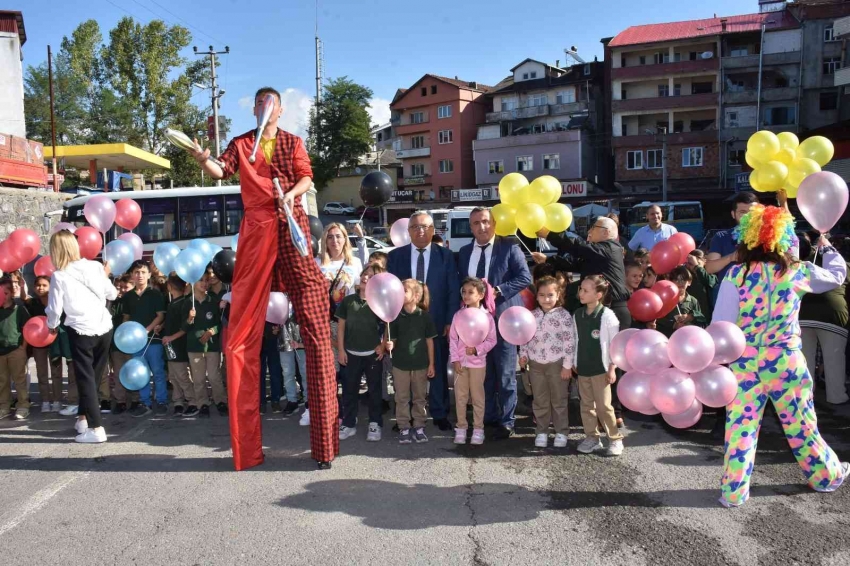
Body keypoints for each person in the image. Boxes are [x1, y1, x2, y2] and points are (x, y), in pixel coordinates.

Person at [191, 86, 339, 470]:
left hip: (294, 229)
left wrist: (291, 195)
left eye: (269, 102)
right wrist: (204, 159)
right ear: (254, 109)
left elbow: (307, 178)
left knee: (318, 333)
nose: (263, 107)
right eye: (258, 102)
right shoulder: (242, 143)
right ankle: (246, 450)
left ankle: (325, 446)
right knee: (240, 333)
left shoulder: (292, 141)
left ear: (280, 109)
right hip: (257, 232)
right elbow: (221, 169)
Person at [712, 204, 849, 507]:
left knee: (740, 429)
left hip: (744, 363)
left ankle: (733, 493)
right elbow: (837, 277)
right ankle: (825, 476)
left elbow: (720, 325)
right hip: (786, 362)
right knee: (801, 424)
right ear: (782, 236)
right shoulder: (797, 271)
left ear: (747, 237)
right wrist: (827, 250)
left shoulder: (736, 274)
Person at [459, 207, 531, 439]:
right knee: (483, 374)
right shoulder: (463, 252)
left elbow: (524, 277)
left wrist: (498, 291)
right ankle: (487, 416)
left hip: (504, 322)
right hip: (474, 326)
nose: (481, 227)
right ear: (470, 227)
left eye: (485, 222)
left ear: (494, 223)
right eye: (476, 223)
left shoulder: (509, 247)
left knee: (506, 374)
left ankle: (507, 420)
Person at [387, 211, 460, 432]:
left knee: (435, 367)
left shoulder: (445, 255)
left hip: (436, 324)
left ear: (433, 230)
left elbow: (452, 291)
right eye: (416, 227)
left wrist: (450, 320)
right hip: (404, 325)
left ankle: (439, 413)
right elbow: (390, 292)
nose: (421, 231)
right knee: (405, 372)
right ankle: (404, 417)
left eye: (426, 227)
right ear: (408, 231)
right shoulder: (396, 256)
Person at [45, 231, 117, 442]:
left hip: (81, 330)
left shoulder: (59, 276)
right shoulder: (95, 266)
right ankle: (84, 419)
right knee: (93, 377)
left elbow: (54, 310)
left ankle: (96, 429)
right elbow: (111, 294)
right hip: (104, 327)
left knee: (86, 379)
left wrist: (51, 326)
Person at [535, 217, 631, 329]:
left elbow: (578, 247)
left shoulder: (610, 248)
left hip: (614, 309)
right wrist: (547, 260)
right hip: (600, 308)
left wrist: (550, 235)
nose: (589, 232)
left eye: (593, 228)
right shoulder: (598, 253)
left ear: (606, 232)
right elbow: (574, 264)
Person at [518, 276, 575, 448]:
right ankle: (542, 431)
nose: (546, 299)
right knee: (540, 400)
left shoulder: (563, 316)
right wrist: (523, 354)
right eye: (542, 295)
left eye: (550, 295)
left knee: (559, 400)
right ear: (536, 297)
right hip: (535, 365)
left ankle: (561, 432)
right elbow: (524, 337)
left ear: (558, 295)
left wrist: (567, 365)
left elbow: (569, 341)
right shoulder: (531, 316)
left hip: (557, 364)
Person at [573, 275, 623, 456]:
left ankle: (615, 439)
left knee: (604, 407)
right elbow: (575, 340)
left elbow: (614, 345)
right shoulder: (577, 314)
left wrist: (612, 367)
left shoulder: (608, 316)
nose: (581, 293)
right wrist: (573, 362)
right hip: (583, 369)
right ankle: (592, 437)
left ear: (599, 294)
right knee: (586, 406)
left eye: (586, 290)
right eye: (580, 289)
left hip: (601, 370)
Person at [336, 263, 387, 441]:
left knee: (374, 391)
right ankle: (349, 423)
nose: (366, 277)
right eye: (365, 274)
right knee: (349, 390)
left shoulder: (379, 301)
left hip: (372, 356)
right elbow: (341, 327)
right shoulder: (348, 301)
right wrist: (341, 350)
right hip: (350, 354)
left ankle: (375, 423)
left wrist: (383, 344)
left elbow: (389, 322)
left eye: (371, 276)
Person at [798, 232, 850, 405]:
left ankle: (805, 398)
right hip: (834, 316)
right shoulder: (841, 265)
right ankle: (837, 397)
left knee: (804, 360)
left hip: (802, 315)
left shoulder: (800, 264)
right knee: (834, 360)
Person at [386, 279, 437, 444]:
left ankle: (419, 426)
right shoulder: (395, 316)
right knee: (401, 397)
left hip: (420, 364)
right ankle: (404, 427)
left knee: (419, 397)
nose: (400, 293)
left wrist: (431, 363)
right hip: (400, 364)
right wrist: (389, 345)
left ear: (416, 296)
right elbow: (392, 339)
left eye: (405, 290)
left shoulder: (424, 316)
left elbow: (430, 341)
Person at [450, 277, 497, 445]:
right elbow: (453, 339)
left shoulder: (487, 317)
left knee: (478, 397)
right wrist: (455, 359)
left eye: (471, 292)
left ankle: (478, 428)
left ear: (481, 295)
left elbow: (492, 340)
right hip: (461, 364)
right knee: (460, 396)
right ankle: (461, 427)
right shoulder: (458, 315)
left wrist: (477, 349)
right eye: (463, 292)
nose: (466, 295)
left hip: (478, 364)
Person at [123, 260, 167, 417]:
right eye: (136, 272)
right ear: (132, 276)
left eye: (142, 272)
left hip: (153, 340)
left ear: (149, 274)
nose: (139, 275)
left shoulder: (155, 294)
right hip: (135, 343)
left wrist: (147, 330)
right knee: (140, 372)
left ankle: (161, 401)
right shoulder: (128, 296)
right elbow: (126, 319)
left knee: (158, 371)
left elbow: (160, 316)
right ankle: (145, 402)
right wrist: (125, 334)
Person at [319, 222, 363, 371]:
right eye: (330, 237)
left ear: (345, 239)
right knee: (330, 366)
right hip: (325, 320)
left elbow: (362, 289)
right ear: (325, 240)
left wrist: (361, 238)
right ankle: (333, 394)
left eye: (338, 236)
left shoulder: (354, 263)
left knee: (349, 364)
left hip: (348, 320)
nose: (334, 241)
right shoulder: (318, 262)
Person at [185, 273, 228, 418]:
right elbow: (183, 327)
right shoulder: (187, 303)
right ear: (193, 283)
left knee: (215, 376)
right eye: (200, 280)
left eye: (206, 280)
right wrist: (190, 319)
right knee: (198, 378)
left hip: (211, 346)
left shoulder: (213, 301)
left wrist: (211, 331)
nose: (204, 283)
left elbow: (218, 323)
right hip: (194, 347)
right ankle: (202, 403)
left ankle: (221, 401)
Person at [706, 192, 760, 284]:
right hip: (730, 293)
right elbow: (709, 268)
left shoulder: (767, 237)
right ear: (733, 214)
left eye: (752, 213)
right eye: (742, 212)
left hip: (759, 294)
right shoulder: (721, 237)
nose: (748, 217)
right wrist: (731, 258)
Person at [160, 274, 195, 417]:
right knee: (173, 376)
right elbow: (172, 322)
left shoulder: (183, 303)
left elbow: (184, 327)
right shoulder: (172, 303)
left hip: (178, 345)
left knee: (182, 375)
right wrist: (161, 326)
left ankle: (192, 401)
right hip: (170, 345)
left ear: (169, 287)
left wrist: (170, 337)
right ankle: (178, 401)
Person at [27, 276, 62, 413]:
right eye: (38, 285)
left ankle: (57, 400)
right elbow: (24, 297)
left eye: (44, 285)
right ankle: (45, 400)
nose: (40, 288)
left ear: (50, 287)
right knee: (42, 373)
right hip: (38, 344)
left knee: (56, 372)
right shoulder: (32, 303)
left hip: (54, 343)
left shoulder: (56, 302)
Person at [0, 276, 30, 420]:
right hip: (0, 351)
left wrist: (22, 348)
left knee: (19, 379)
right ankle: (4, 406)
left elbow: (26, 329)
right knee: (2, 380)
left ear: (12, 293)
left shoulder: (19, 309)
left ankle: (23, 405)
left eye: (6, 293)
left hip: (15, 349)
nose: (3, 296)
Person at [655, 266, 706, 338]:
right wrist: (673, 324)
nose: (680, 283)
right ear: (670, 282)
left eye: (683, 280)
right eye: (676, 280)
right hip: (668, 338)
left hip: (687, 338)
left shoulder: (693, 300)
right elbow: (658, 320)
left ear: (689, 282)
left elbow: (701, 320)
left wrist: (691, 317)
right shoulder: (665, 299)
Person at [110, 274, 135, 414]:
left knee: (132, 371)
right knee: (119, 372)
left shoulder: (135, 302)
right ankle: (120, 401)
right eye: (120, 287)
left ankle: (135, 399)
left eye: (126, 287)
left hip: (132, 344)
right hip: (116, 344)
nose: (123, 290)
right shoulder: (114, 302)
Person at [278, 304, 307, 418]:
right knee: (287, 372)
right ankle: (292, 401)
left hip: (303, 336)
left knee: (305, 372)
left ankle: (308, 400)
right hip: (283, 338)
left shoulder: (299, 291)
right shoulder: (278, 291)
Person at [686, 250, 717, 320]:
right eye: (690, 264)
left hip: (706, 317)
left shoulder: (711, 276)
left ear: (705, 261)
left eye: (698, 263)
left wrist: (696, 267)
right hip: (690, 317)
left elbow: (707, 281)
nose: (693, 267)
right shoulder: (687, 278)